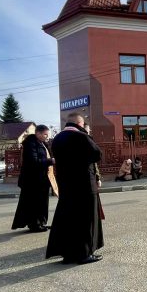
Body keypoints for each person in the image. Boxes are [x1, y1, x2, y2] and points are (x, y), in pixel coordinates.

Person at [46, 113, 104, 265]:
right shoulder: (81, 136)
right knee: (85, 219)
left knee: (69, 219)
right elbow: (97, 154)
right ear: (79, 123)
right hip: (84, 184)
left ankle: (69, 254)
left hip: (66, 185)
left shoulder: (57, 138)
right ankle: (84, 254)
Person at [12, 125, 55, 233]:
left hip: (43, 178)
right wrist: (50, 161)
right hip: (33, 180)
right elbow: (33, 162)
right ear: (38, 133)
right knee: (34, 203)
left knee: (43, 202)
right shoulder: (30, 144)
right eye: (45, 134)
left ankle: (42, 222)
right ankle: (35, 224)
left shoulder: (42, 143)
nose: (47, 136)